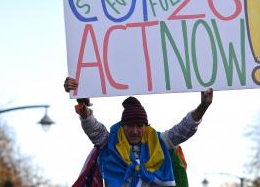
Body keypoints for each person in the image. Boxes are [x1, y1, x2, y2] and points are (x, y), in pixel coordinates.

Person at [64, 77, 214, 187]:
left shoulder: (160, 141)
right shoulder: (110, 143)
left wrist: (203, 106)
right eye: (130, 126)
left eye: (139, 126)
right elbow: (93, 128)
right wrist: (81, 103)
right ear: (122, 126)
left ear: (146, 126)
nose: (135, 131)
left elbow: (184, 129)